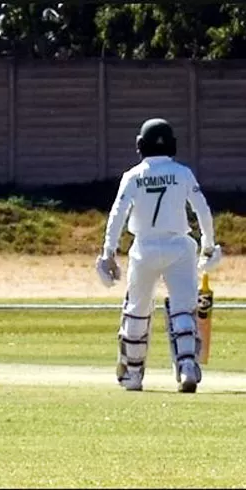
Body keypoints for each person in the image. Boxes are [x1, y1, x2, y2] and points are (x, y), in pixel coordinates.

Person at [96, 118, 222, 393]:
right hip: (180, 248)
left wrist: (108, 252)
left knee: (137, 310)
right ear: (173, 145)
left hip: (145, 248)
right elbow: (202, 209)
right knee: (183, 308)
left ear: (140, 145)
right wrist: (209, 245)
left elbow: (117, 214)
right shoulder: (183, 173)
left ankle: (132, 374)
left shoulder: (133, 176)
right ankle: (188, 368)